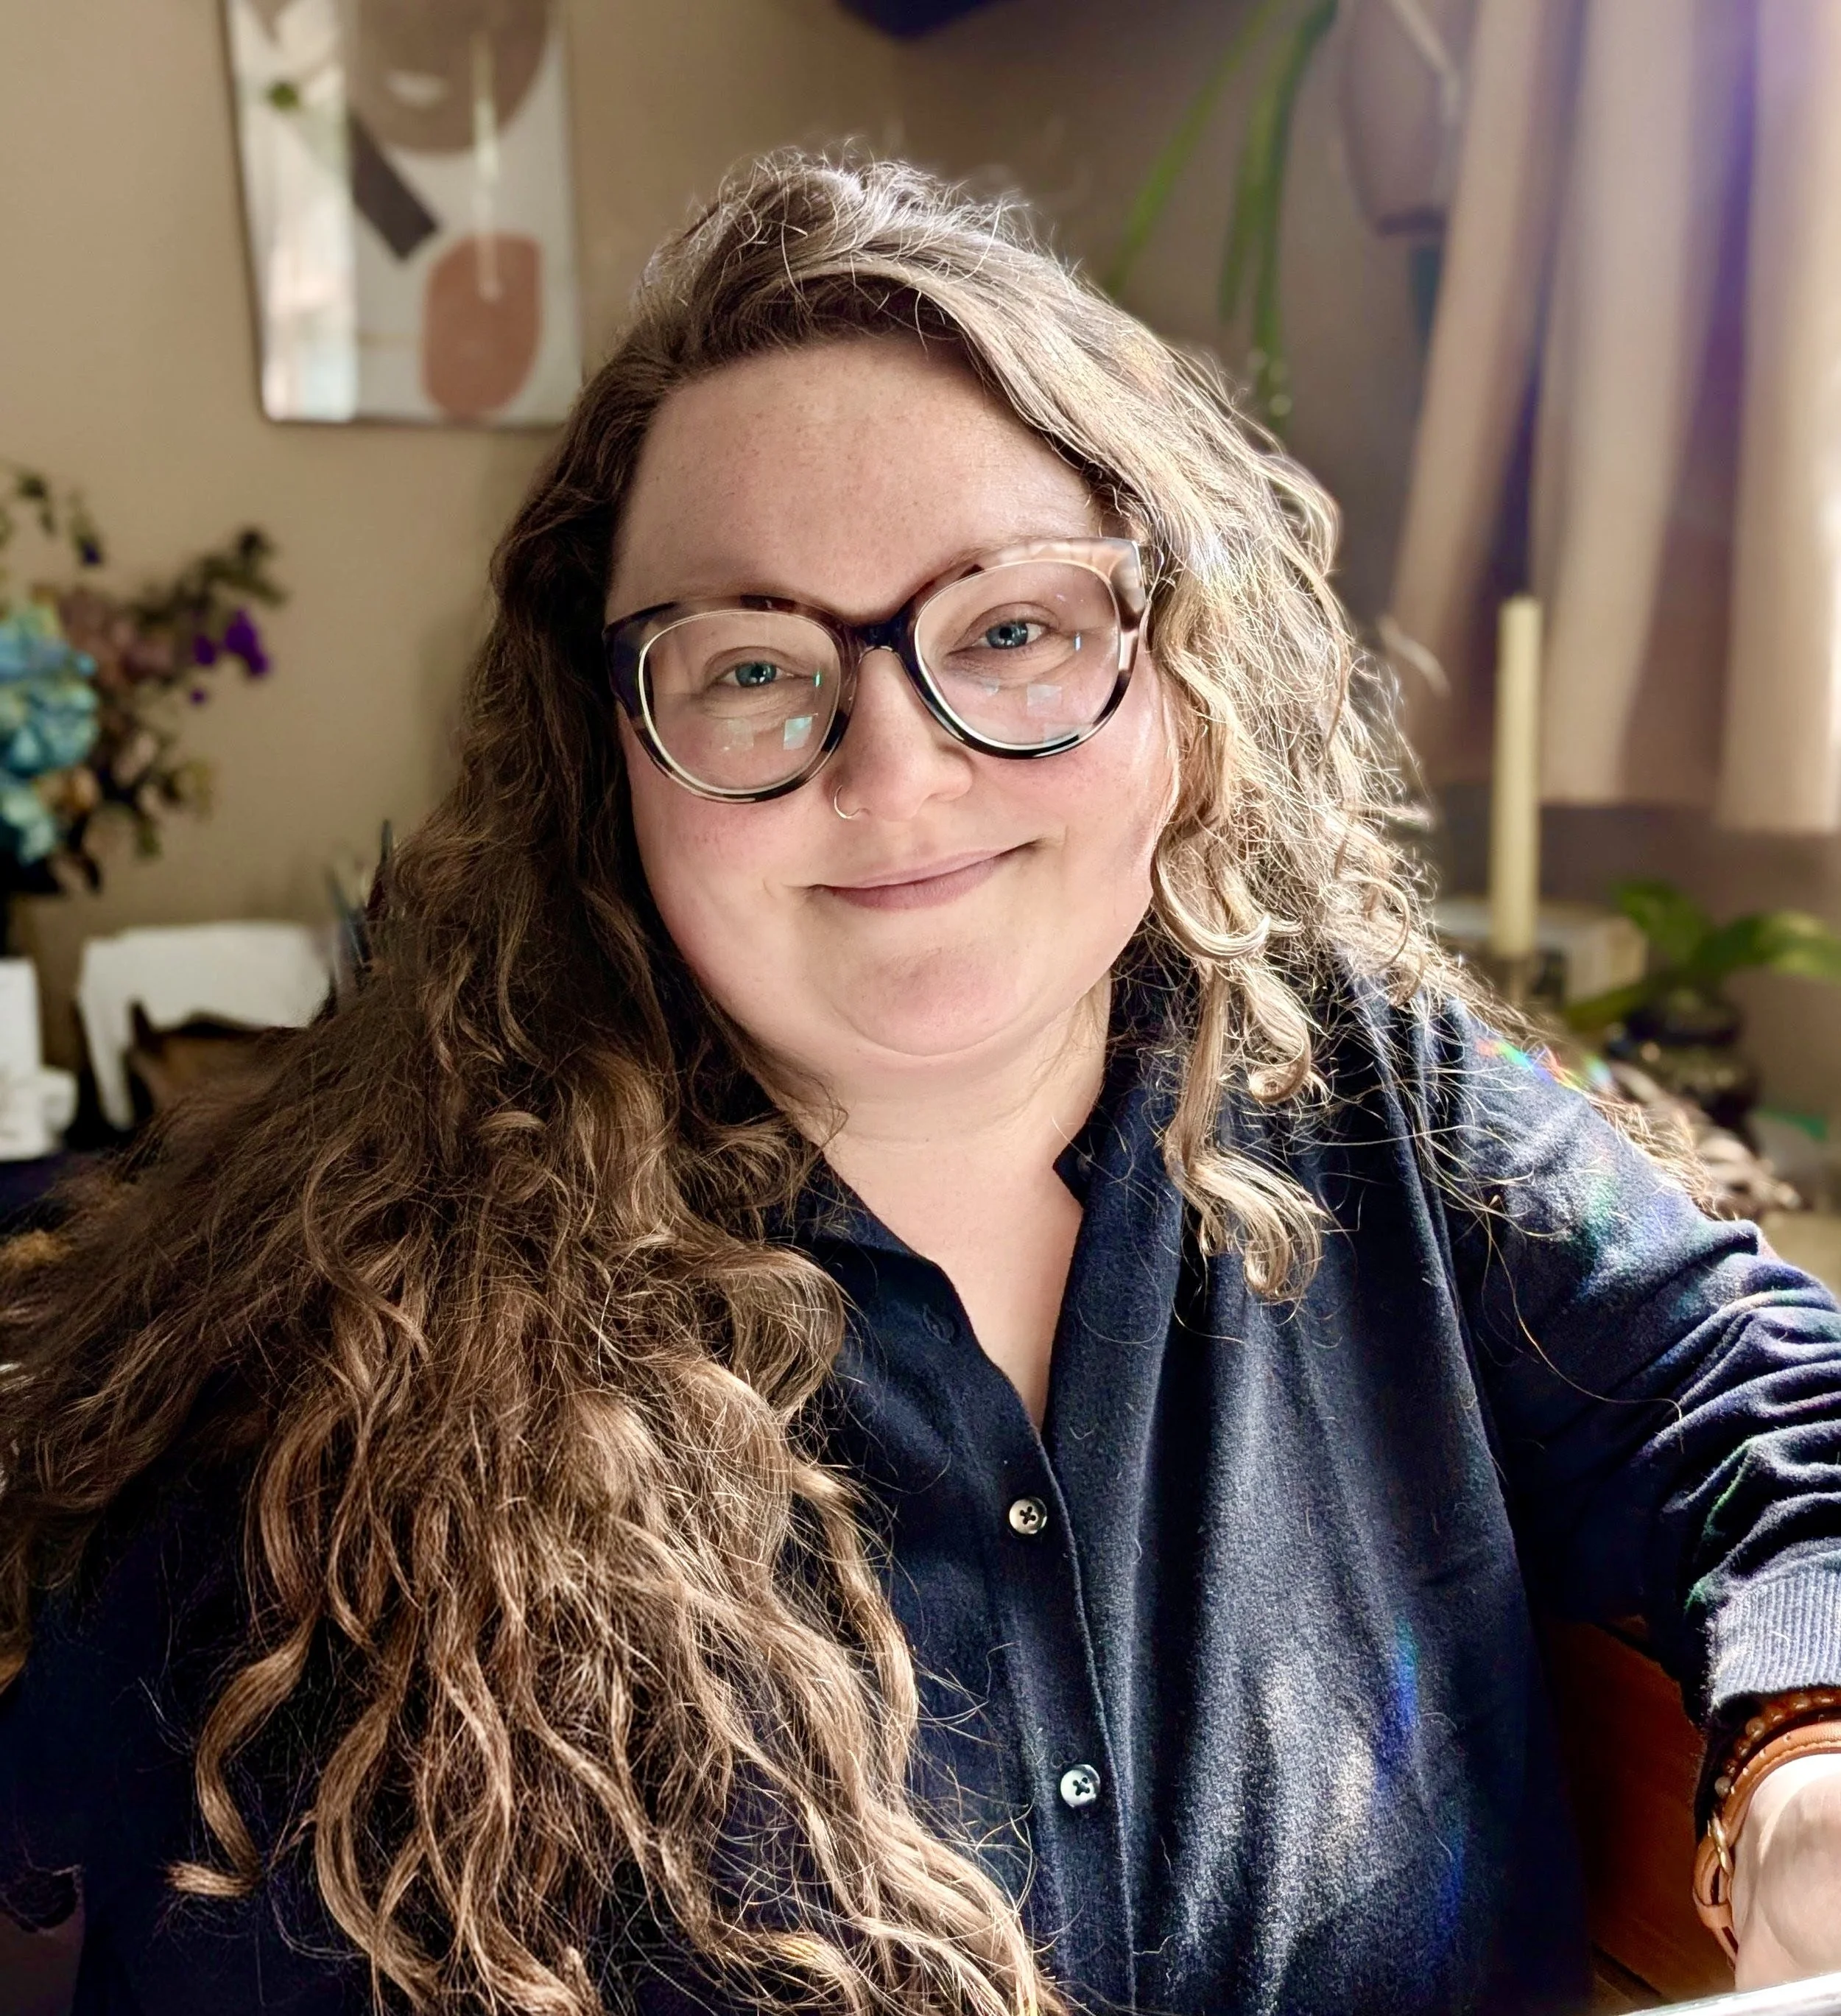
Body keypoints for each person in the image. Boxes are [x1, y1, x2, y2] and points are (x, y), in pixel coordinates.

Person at [2, 152, 1840, 2016]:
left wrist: (1804, 1767)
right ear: (607, 753)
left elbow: (1764, 1394)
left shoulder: (1361, 1079)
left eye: (1011, 629)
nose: (895, 777)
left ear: (1173, 677)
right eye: (751, 667)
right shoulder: (305, 1400)